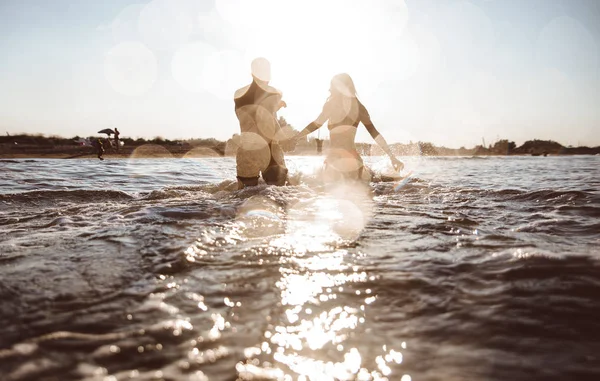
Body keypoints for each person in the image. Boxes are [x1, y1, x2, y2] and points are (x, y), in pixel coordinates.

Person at [293, 73, 404, 181]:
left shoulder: (331, 105)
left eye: (332, 86)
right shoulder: (359, 107)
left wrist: (297, 137)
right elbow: (374, 133)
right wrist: (392, 157)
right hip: (353, 160)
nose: (329, 89)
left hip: (334, 159)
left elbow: (316, 124)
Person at [233, 57, 289, 189]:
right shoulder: (274, 93)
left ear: (252, 73)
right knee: (279, 196)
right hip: (269, 151)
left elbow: (251, 115)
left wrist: (275, 107)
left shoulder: (238, 94)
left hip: (247, 149)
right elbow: (268, 119)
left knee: (243, 197)